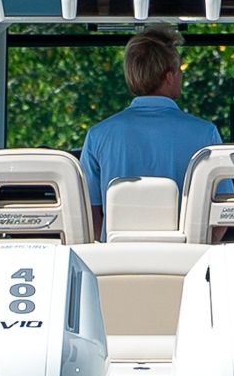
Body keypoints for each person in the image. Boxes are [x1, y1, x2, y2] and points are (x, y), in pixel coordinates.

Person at [80, 24, 221, 234]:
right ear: (169, 77)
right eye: (179, 70)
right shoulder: (205, 134)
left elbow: (89, 214)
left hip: (117, 262)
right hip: (184, 260)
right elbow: (222, 214)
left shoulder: (98, 136)